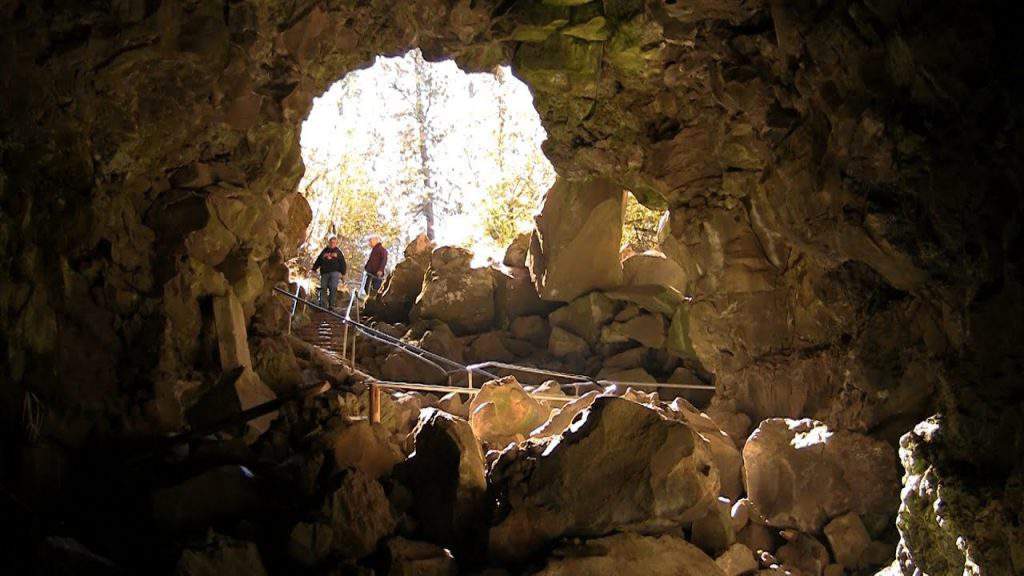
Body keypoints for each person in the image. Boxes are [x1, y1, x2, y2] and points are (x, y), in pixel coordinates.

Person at [312, 236, 346, 309]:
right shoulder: (324, 251)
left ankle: (332, 305)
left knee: (333, 287)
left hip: (335, 273)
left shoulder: (338, 252)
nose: (332, 244)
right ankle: (323, 305)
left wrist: (343, 274)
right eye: (331, 242)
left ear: (336, 243)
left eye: (334, 242)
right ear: (329, 242)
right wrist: (314, 269)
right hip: (324, 272)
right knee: (323, 288)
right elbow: (319, 260)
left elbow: (343, 263)